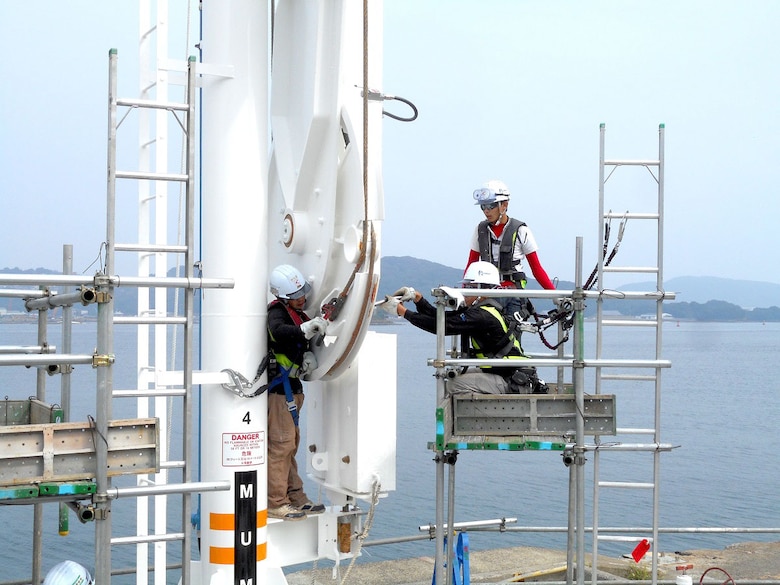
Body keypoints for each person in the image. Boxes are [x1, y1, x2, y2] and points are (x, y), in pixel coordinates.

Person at [385, 261, 546, 395]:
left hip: (512, 381)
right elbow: (442, 318)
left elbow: (441, 326)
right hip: (508, 374)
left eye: (469, 286)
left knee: (453, 385)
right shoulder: (483, 310)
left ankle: (483, 421)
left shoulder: (481, 316)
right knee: (457, 376)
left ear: (482, 290)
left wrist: (402, 312)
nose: (465, 291)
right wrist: (417, 299)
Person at [266, 264, 329, 520]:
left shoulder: (297, 313)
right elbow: (277, 332)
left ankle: (296, 496)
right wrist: (304, 330)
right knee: (281, 446)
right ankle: (276, 501)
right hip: (281, 391)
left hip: (292, 389)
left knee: (290, 445)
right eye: (297, 295)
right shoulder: (277, 314)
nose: (303, 298)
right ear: (283, 297)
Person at [467, 179, 555, 321]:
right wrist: (466, 292)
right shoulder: (480, 231)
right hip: (486, 293)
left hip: (513, 294)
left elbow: (536, 268)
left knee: (511, 334)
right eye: (483, 206)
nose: (486, 211)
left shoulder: (521, 230)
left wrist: (555, 295)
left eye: (491, 205)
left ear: (504, 205)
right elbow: (471, 265)